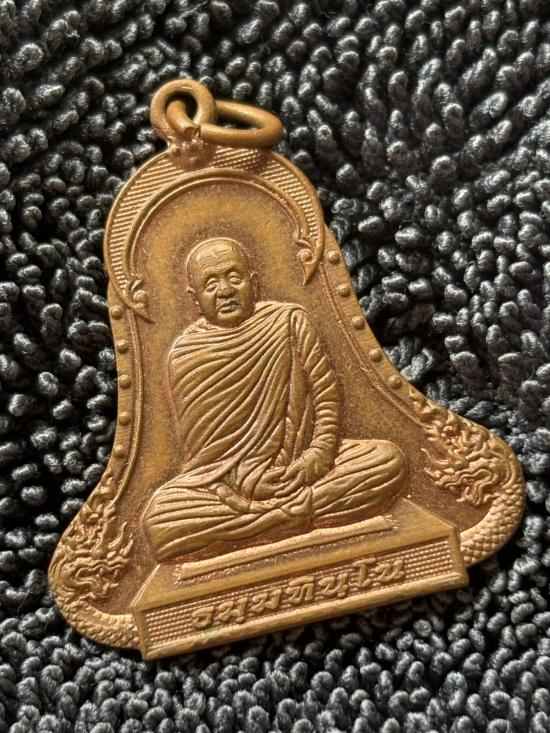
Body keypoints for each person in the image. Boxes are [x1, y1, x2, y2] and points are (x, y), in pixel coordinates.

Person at [144, 237, 405, 561]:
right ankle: (290, 516)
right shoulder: (185, 354)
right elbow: (204, 456)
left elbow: (326, 397)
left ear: (253, 282)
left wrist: (315, 459)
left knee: (387, 461)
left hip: (300, 468)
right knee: (160, 518)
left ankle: (266, 522)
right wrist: (236, 485)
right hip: (232, 490)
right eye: (210, 284)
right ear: (194, 298)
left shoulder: (289, 321)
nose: (225, 290)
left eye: (234, 277)